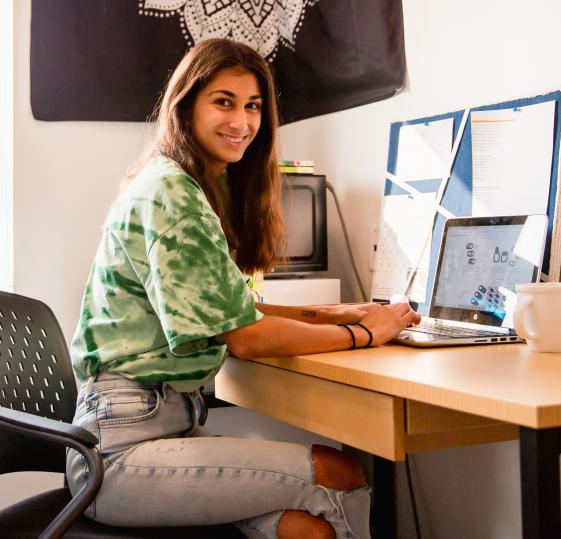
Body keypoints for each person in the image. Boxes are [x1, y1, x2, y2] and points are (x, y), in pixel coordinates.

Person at [67, 38, 419, 539]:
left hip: (154, 424)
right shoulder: (174, 193)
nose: (242, 122)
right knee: (341, 475)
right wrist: (365, 335)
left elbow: (240, 310)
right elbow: (247, 338)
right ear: (186, 106)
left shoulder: (179, 182)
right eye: (223, 102)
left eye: (253, 106)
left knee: (307, 530)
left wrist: (342, 313)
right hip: (119, 452)